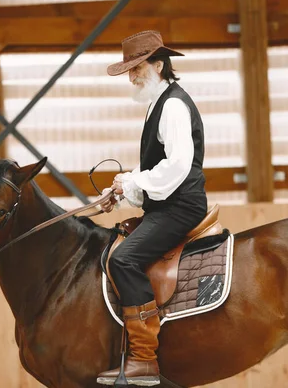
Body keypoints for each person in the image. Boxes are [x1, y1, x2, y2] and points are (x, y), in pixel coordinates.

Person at [96, 30, 208, 386]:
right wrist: (126, 189)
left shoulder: (173, 106)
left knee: (122, 260)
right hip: (165, 206)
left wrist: (132, 182)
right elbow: (156, 172)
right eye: (129, 71)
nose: (132, 77)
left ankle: (144, 358)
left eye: (137, 68)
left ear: (159, 64)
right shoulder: (156, 104)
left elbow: (177, 166)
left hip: (180, 209)